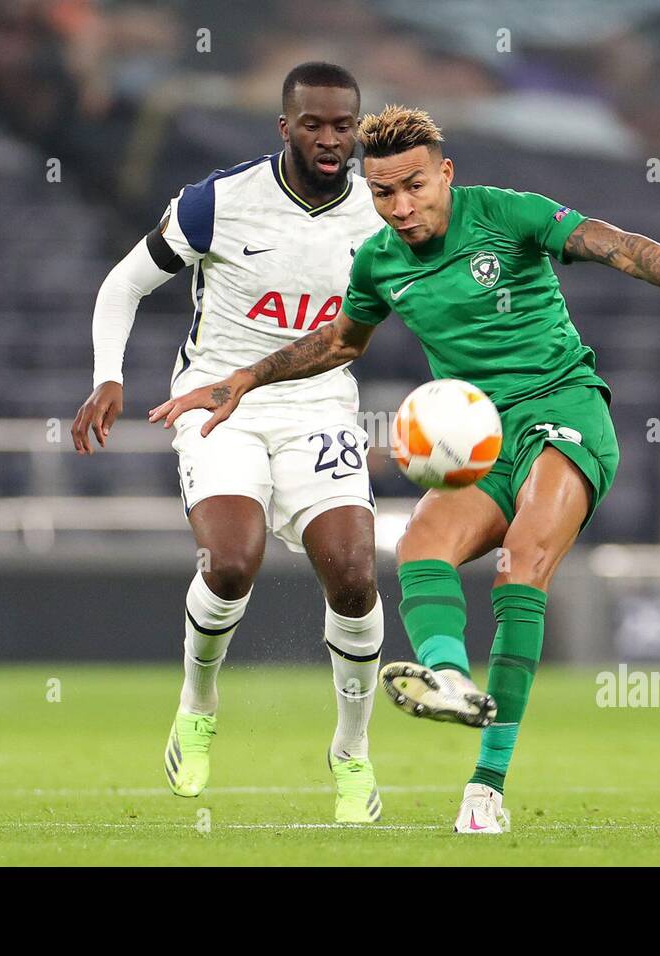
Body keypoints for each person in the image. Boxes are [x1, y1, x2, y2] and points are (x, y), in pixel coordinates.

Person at [149, 104, 660, 834]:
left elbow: (618, 245)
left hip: (563, 410)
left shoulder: (508, 215)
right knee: (421, 549)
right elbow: (340, 342)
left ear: (446, 174)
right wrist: (247, 377)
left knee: (521, 561)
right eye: (383, 193)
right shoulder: (379, 261)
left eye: (415, 187)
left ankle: (486, 785)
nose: (401, 207)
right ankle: (454, 682)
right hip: (479, 439)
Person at [73, 64, 388, 823]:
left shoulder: (382, 213)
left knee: (352, 575)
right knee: (232, 562)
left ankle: (351, 754)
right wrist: (108, 376)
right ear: (285, 127)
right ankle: (198, 702)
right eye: (314, 124)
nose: (330, 138)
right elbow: (124, 283)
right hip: (219, 404)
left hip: (318, 406)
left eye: (343, 125)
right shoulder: (219, 202)